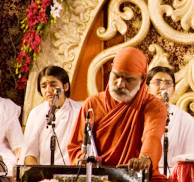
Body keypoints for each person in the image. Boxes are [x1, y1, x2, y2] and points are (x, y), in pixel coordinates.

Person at [68, 47, 168, 182]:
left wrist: (145, 158)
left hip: (135, 177)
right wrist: (87, 160)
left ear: (143, 78)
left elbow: (152, 135)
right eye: (116, 76)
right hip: (98, 177)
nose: (120, 84)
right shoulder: (93, 103)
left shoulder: (153, 106)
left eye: (129, 79)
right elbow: (76, 145)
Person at [21, 66, 83, 165]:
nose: (48, 90)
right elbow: (29, 152)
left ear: (65, 87)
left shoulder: (80, 110)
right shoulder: (36, 113)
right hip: (43, 174)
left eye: (53, 85)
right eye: (44, 86)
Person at [146, 66, 194, 172]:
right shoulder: (138, 116)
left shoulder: (185, 120)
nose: (163, 87)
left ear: (173, 90)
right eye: (157, 82)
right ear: (147, 88)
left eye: (168, 83)